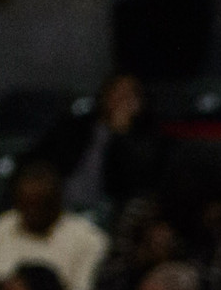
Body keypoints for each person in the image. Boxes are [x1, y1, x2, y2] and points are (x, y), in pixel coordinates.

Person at [0, 160, 111, 290]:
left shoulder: (89, 238)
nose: (33, 213)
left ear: (58, 201)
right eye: (26, 205)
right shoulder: (2, 225)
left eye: (41, 205)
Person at [36, 72, 168, 213]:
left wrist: (122, 134)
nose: (122, 100)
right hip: (62, 208)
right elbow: (42, 160)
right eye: (117, 92)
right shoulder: (75, 127)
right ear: (104, 95)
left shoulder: (146, 136)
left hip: (113, 213)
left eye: (129, 95)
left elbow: (137, 182)